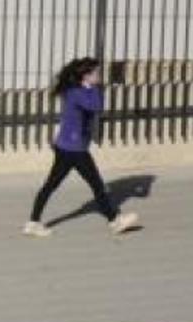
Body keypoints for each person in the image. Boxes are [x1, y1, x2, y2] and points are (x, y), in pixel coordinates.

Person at [24, 57, 139, 237]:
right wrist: (94, 88)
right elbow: (97, 106)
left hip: (68, 146)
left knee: (52, 185)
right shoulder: (78, 92)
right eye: (96, 73)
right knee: (96, 185)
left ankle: (33, 222)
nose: (99, 76)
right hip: (74, 149)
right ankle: (115, 221)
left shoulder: (77, 90)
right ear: (86, 76)